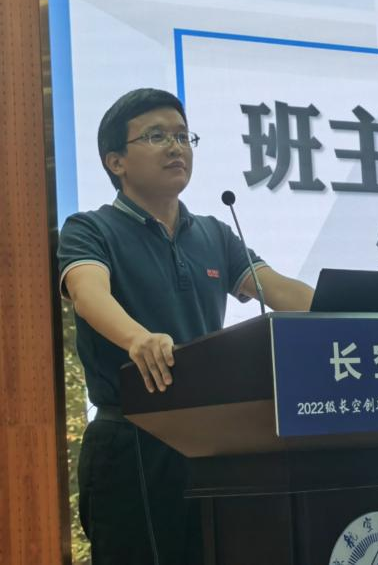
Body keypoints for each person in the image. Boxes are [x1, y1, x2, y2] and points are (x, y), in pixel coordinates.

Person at [58, 88, 313, 565]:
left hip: (209, 444)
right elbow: (90, 295)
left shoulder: (214, 233)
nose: (176, 147)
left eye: (182, 136)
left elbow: (277, 289)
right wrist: (138, 338)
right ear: (116, 161)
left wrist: (348, 310)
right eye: (156, 136)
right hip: (131, 445)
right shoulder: (90, 229)